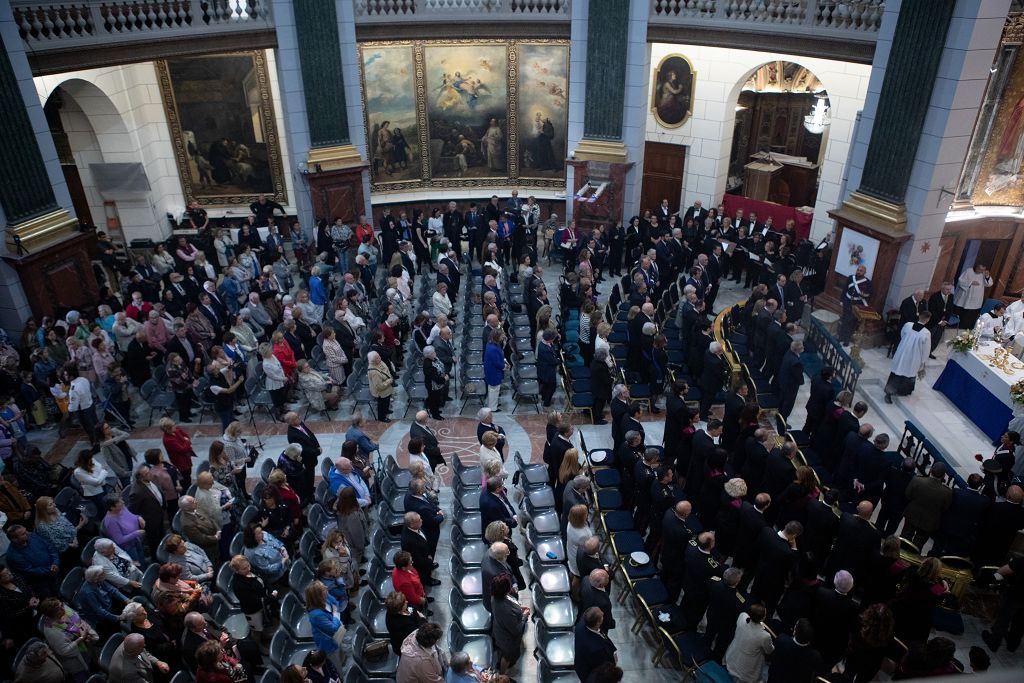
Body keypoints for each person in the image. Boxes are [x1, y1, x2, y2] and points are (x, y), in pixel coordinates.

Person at [39, 597, 99, 683]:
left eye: (62, 604)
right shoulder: (51, 631)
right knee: (85, 677)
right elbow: (64, 651)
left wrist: (87, 632)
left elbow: (79, 620)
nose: (64, 607)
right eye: (60, 608)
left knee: (93, 664)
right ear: (54, 614)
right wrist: (81, 638)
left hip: (87, 646)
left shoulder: (65, 609)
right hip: (76, 659)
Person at [902, 462, 953, 550]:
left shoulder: (917, 480)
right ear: (944, 476)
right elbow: (945, 507)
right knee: (917, 545)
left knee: (905, 538)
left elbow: (908, 494)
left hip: (912, 514)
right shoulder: (947, 492)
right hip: (929, 521)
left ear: (930, 470)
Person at [884, 312, 932, 403]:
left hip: (902, 353)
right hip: (914, 357)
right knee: (907, 372)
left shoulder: (908, 325)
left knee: (897, 371)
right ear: (927, 320)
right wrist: (923, 361)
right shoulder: (926, 333)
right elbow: (926, 349)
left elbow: (902, 335)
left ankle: (891, 391)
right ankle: (899, 391)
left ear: (919, 316)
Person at [724, 603, 774, 683]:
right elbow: (769, 650)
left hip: (733, 654)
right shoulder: (765, 636)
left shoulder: (742, 616)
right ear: (762, 619)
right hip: (748, 666)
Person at [230, 555, 275, 643]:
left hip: (263, 602)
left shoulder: (250, 570)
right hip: (253, 610)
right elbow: (253, 601)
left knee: (263, 624)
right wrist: (271, 597)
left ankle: (264, 636)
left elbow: (263, 579)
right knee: (256, 630)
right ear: (236, 571)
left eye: (248, 565)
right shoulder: (238, 585)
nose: (248, 569)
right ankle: (258, 646)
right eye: (244, 568)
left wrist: (270, 590)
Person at [5, 525, 60, 597]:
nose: (28, 533)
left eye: (26, 531)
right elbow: (30, 570)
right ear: (15, 539)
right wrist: (51, 569)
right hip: (41, 584)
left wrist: (55, 563)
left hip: (54, 573)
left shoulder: (32, 536)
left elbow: (50, 547)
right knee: (51, 601)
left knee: (61, 593)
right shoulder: (13, 555)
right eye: (23, 534)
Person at [490, 573, 529, 674]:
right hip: (508, 639)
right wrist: (524, 616)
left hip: (500, 630)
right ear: (506, 589)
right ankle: (502, 674)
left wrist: (519, 609)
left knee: (503, 652)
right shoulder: (506, 610)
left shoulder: (495, 597)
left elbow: (512, 606)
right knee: (508, 657)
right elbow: (516, 630)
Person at [305, 581, 346, 672]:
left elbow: (335, 603)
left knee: (340, 653)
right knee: (335, 666)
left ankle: (343, 661)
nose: (326, 588)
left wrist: (335, 616)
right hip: (328, 643)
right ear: (318, 595)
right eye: (324, 589)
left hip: (335, 636)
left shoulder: (326, 598)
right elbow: (333, 628)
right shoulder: (316, 615)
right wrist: (335, 615)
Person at [77, 565, 129, 637]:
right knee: (121, 628)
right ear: (96, 579)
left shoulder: (98, 580)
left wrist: (126, 599)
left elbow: (112, 590)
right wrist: (118, 618)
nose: (105, 574)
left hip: (108, 604)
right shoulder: (88, 593)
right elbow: (100, 612)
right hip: (101, 617)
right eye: (103, 574)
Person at [574, 607, 617, 682]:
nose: (603, 613)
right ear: (597, 623)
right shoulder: (596, 649)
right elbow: (602, 667)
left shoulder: (581, 625)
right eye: (602, 615)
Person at [954, 263, 993, 330]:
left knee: (968, 321)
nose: (980, 271)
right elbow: (960, 281)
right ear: (976, 266)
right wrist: (970, 282)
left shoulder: (984, 274)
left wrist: (987, 276)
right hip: (964, 299)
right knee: (959, 318)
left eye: (982, 270)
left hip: (975, 301)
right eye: (979, 269)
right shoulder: (969, 271)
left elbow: (989, 284)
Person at [839, 264, 870, 345]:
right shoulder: (850, 278)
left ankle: (847, 339)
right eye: (858, 270)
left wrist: (864, 295)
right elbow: (845, 289)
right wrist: (841, 300)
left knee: (851, 322)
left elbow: (868, 294)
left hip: (856, 305)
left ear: (864, 272)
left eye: (861, 271)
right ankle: (841, 337)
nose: (859, 272)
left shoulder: (867, 282)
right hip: (847, 301)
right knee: (844, 320)